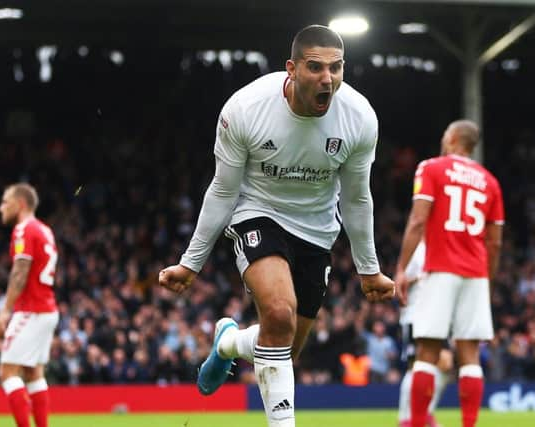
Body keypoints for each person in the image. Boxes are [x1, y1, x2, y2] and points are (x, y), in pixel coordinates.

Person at [159, 24, 395, 427]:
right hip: (258, 211)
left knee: (283, 348)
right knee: (280, 316)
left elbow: (356, 197)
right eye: (316, 68)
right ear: (291, 68)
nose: (328, 79)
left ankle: (230, 342)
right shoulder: (245, 109)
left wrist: (368, 268)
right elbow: (222, 190)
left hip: (317, 230)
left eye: (336, 69)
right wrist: (190, 262)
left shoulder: (359, 118)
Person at [394, 120, 504, 427]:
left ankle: (415, 423)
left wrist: (402, 269)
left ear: (453, 138)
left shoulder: (431, 168)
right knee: (469, 355)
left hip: (441, 269)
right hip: (476, 272)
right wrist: (488, 281)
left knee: (427, 352)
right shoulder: (490, 182)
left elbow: (418, 221)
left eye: (445, 135)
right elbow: (494, 242)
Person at [0, 183, 59, 427]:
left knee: (7, 373)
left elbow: (20, 272)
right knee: (34, 373)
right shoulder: (45, 230)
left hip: (31, 310)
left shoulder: (23, 229)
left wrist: (5, 310)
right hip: (47, 309)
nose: (1, 207)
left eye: (5, 202)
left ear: (20, 204)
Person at [397, 241, 453, 427]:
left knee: (444, 364)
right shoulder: (416, 249)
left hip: (435, 314)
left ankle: (425, 414)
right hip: (415, 315)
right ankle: (406, 419)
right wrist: (424, 277)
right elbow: (401, 280)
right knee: (416, 366)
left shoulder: (438, 245)